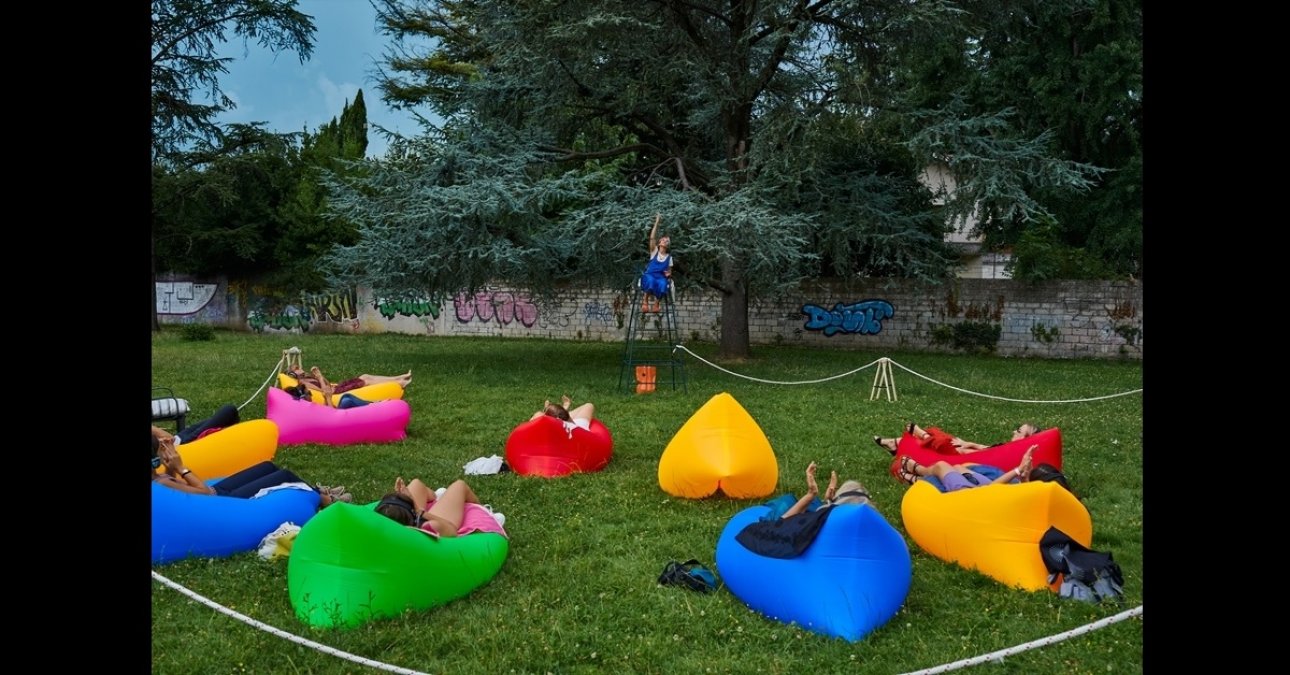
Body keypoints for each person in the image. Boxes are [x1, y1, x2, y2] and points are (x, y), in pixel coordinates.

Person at [151, 434, 351, 506]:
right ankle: (324, 499)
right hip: (223, 501)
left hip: (218, 491)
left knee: (267, 466)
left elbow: (179, 489)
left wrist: (170, 467)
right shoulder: (161, 483)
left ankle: (317, 491)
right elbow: (205, 494)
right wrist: (181, 467)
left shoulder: (159, 477)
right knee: (284, 475)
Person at [734, 462, 874, 559]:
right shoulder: (871, 535)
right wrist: (828, 503)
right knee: (815, 503)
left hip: (783, 529)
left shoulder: (817, 526)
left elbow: (783, 524)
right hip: (824, 519)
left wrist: (811, 495)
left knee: (788, 501)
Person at [894, 445, 1071, 495]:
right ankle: (916, 475)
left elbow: (990, 491)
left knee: (941, 465)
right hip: (984, 490)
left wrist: (1018, 470)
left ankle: (917, 473)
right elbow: (1023, 488)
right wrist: (1024, 474)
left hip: (971, 495)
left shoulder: (1027, 499)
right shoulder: (1037, 494)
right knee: (959, 467)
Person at [373, 476, 508, 539]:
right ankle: (484, 513)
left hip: (407, 520)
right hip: (425, 521)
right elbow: (451, 530)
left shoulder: (379, 529)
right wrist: (420, 512)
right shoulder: (428, 527)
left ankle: (436, 497)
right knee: (459, 486)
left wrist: (404, 498)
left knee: (416, 483)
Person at [873, 421, 1043, 456]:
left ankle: (921, 435)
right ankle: (896, 443)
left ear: (1025, 438)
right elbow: (988, 449)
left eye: (1018, 430)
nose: (1014, 431)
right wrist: (968, 443)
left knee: (941, 441)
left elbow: (986, 457)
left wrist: (963, 448)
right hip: (964, 452)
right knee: (939, 433)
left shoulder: (1015, 454)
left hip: (961, 458)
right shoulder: (1011, 448)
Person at [284, 364, 413, 406]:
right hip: (337, 392)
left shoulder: (307, 378)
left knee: (365, 376)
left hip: (336, 387)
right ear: (293, 374)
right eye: (297, 368)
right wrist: (319, 377)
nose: (300, 368)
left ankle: (398, 378)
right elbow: (325, 390)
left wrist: (320, 376)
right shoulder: (304, 383)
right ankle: (399, 382)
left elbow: (328, 383)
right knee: (366, 380)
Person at [152, 403, 240, 446]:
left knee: (224, 416)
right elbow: (171, 439)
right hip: (180, 444)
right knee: (229, 410)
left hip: (179, 438)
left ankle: (233, 432)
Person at [638, 213, 673, 313]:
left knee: (663, 284)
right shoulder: (654, 252)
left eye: (666, 241)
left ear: (667, 245)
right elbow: (652, 238)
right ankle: (645, 301)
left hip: (661, 277)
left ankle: (657, 303)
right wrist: (657, 222)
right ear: (659, 243)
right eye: (663, 239)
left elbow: (669, 272)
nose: (665, 241)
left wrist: (669, 274)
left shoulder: (669, 258)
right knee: (651, 281)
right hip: (650, 275)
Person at [530, 394, 596, 434]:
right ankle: (562, 410)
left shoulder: (570, 430)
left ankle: (561, 410)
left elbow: (531, 422)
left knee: (589, 406)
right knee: (589, 405)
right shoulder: (573, 427)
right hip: (575, 425)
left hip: (577, 429)